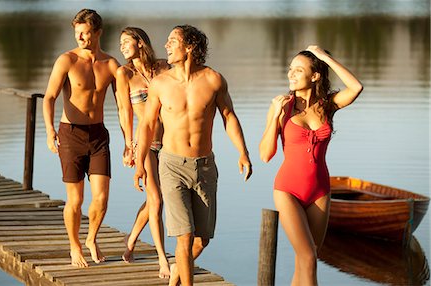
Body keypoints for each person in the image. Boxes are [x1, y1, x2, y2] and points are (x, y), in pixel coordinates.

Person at [133, 25, 253, 286]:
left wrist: (242, 152)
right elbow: (146, 125)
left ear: (189, 47)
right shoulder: (160, 83)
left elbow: (228, 116)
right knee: (184, 237)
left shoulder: (213, 80)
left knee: (202, 239)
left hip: (205, 166)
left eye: (172, 41)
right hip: (172, 164)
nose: (166, 46)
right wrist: (141, 163)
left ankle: (177, 274)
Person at [259, 45, 363, 285]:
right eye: (290, 70)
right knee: (307, 258)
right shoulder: (282, 107)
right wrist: (275, 116)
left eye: (298, 70)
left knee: (307, 259)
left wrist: (324, 57)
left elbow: (356, 87)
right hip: (288, 190)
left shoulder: (328, 106)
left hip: (319, 191)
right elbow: (265, 155)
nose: (290, 75)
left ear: (315, 75)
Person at [43, 9, 121, 268]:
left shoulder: (111, 65)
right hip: (71, 134)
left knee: (101, 198)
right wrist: (49, 130)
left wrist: (131, 142)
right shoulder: (66, 60)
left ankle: (91, 238)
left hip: (98, 135)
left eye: (86, 32)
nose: (81, 37)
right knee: (75, 200)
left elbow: (124, 106)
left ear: (98, 32)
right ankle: (74, 245)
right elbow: (49, 98)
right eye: (77, 33)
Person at [115, 26, 170, 278]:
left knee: (155, 199)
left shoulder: (164, 67)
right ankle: (162, 258)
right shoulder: (124, 73)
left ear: (140, 42)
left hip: (170, 142)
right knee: (156, 200)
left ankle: (131, 240)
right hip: (144, 144)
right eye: (120, 43)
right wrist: (128, 145)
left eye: (126, 41)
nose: (122, 46)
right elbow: (124, 112)